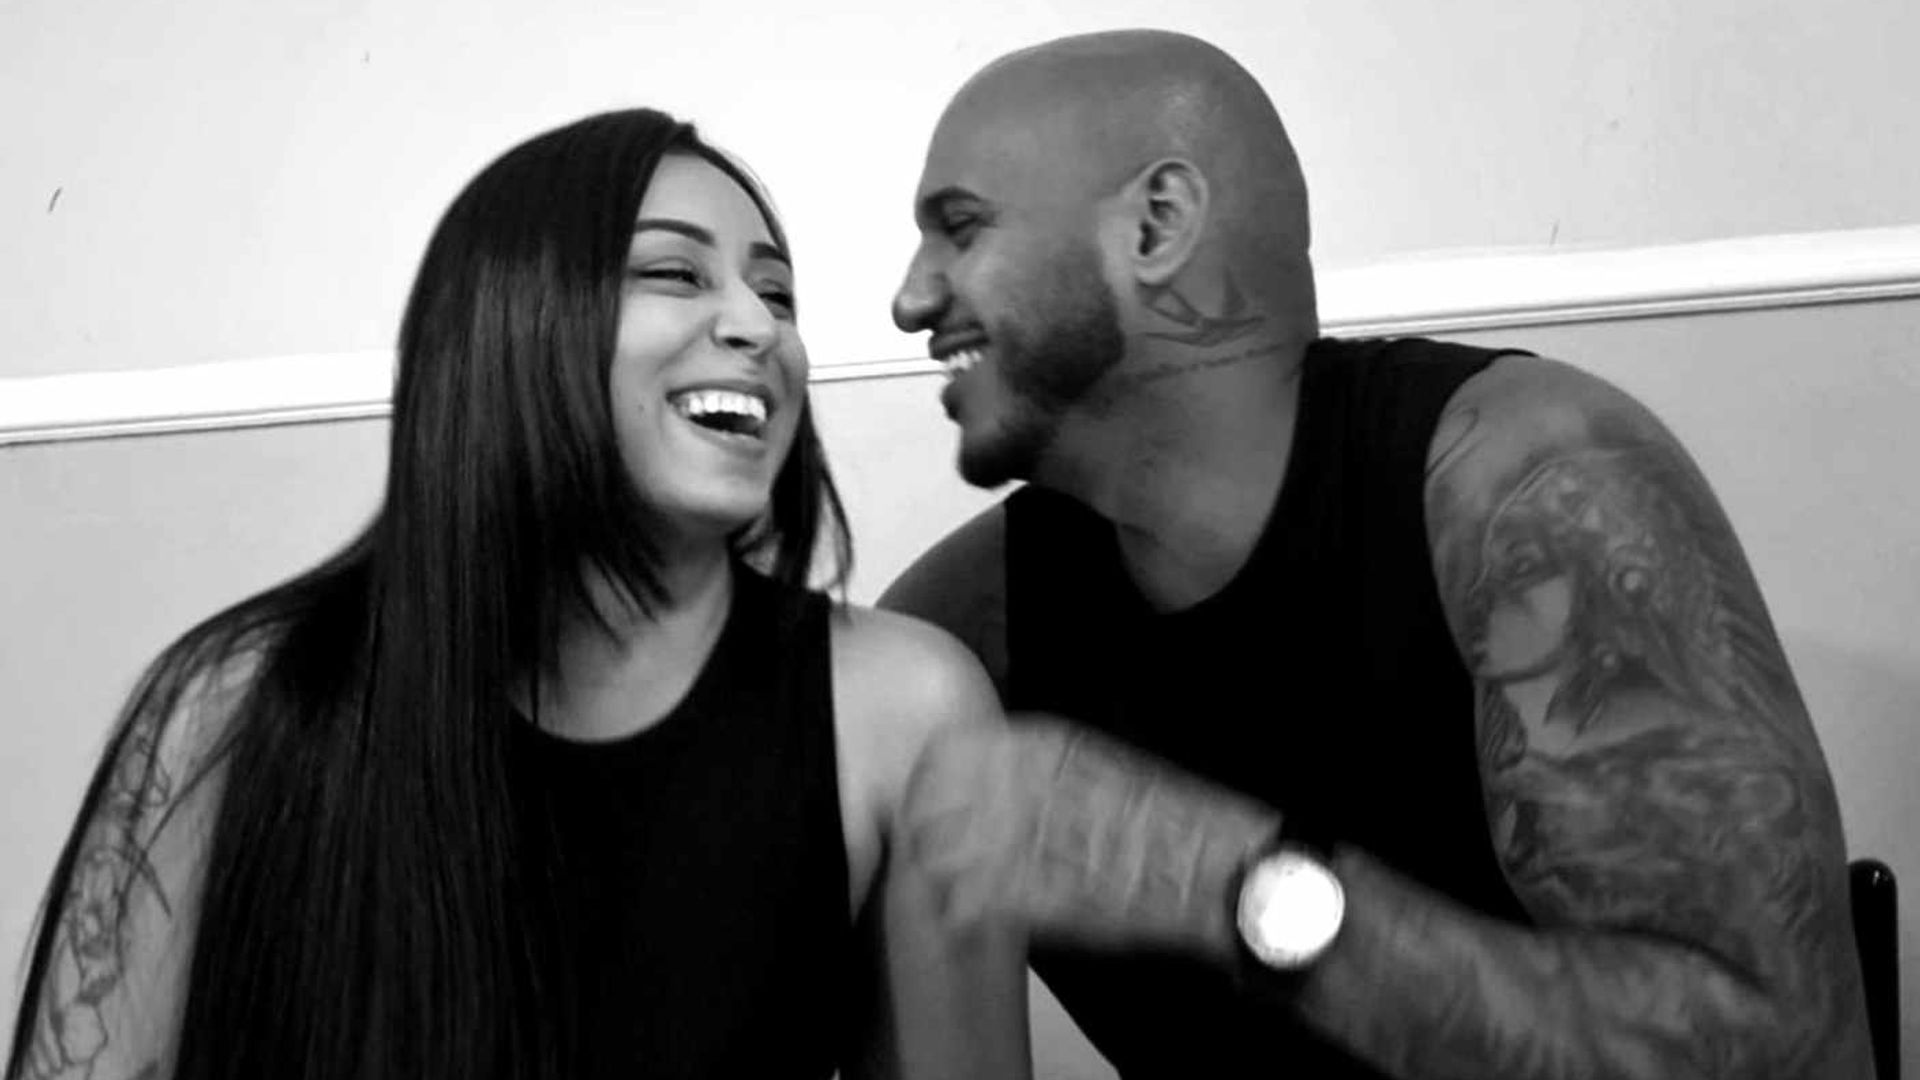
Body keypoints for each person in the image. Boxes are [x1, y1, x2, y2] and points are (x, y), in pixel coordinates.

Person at [880, 28, 1875, 1079]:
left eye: (961, 228)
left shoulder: (1532, 488)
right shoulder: (959, 633)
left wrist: (1223, 884)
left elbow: (1790, 1058)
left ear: (1157, 224)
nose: (910, 299)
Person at [8, 109, 1030, 1080]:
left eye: (779, 295)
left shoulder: (906, 713)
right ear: (513, 323)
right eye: (677, 272)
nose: (759, 325)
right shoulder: (231, 705)